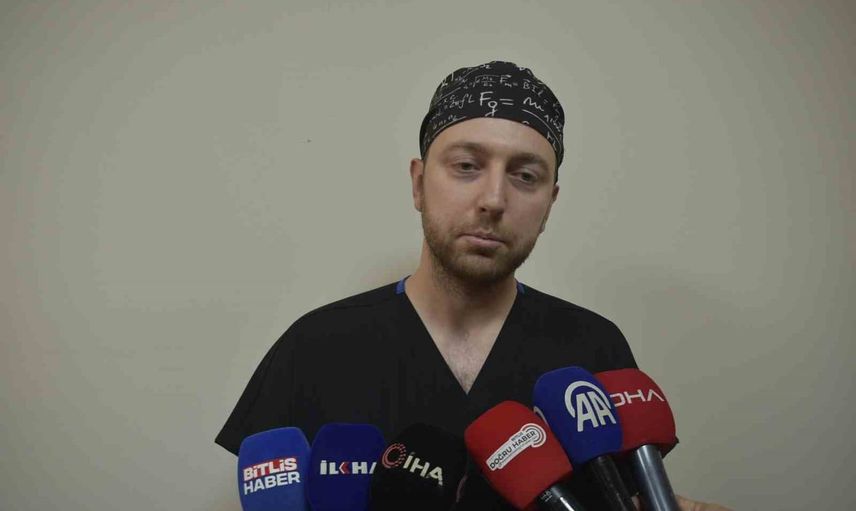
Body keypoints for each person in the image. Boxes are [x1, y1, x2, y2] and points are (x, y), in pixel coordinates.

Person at [216, 61, 730, 511]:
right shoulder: (314, 348)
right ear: (419, 183)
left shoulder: (595, 350)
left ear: (550, 204)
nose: (493, 199)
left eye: (525, 176)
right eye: (466, 166)